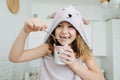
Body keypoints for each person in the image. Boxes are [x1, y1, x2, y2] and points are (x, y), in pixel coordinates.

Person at [9, 6, 105, 80]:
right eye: (59, 26)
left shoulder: (84, 52)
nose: (64, 31)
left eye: (71, 26)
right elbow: (15, 57)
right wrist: (25, 31)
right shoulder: (48, 48)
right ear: (54, 29)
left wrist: (73, 64)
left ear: (78, 31)